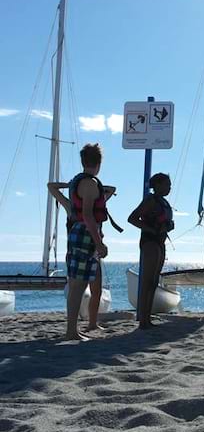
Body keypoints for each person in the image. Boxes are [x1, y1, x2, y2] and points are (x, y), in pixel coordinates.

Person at [48, 179, 116, 332]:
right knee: (76, 288)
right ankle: (72, 328)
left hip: (94, 250)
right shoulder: (70, 205)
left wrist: (93, 187)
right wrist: (71, 185)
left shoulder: (96, 204)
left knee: (96, 289)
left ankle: (93, 323)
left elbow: (111, 188)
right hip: (76, 252)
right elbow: (51, 187)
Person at [64, 144, 110, 340]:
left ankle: (71, 330)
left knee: (76, 284)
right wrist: (99, 243)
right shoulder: (90, 183)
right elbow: (88, 216)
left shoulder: (77, 181)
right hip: (85, 234)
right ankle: (71, 332)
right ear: (98, 163)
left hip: (78, 233)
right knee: (79, 285)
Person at [128, 173, 174, 330]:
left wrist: (168, 226)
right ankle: (143, 320)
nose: (169, 187)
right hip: (149, 242)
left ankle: (147, 318)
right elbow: (132, 218)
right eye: (167, 184)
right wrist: (151, 229)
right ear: (158, 185)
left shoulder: (164, 202)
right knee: (147, 281)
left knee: (154, 282)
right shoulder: (150, 200)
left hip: (160, 242)